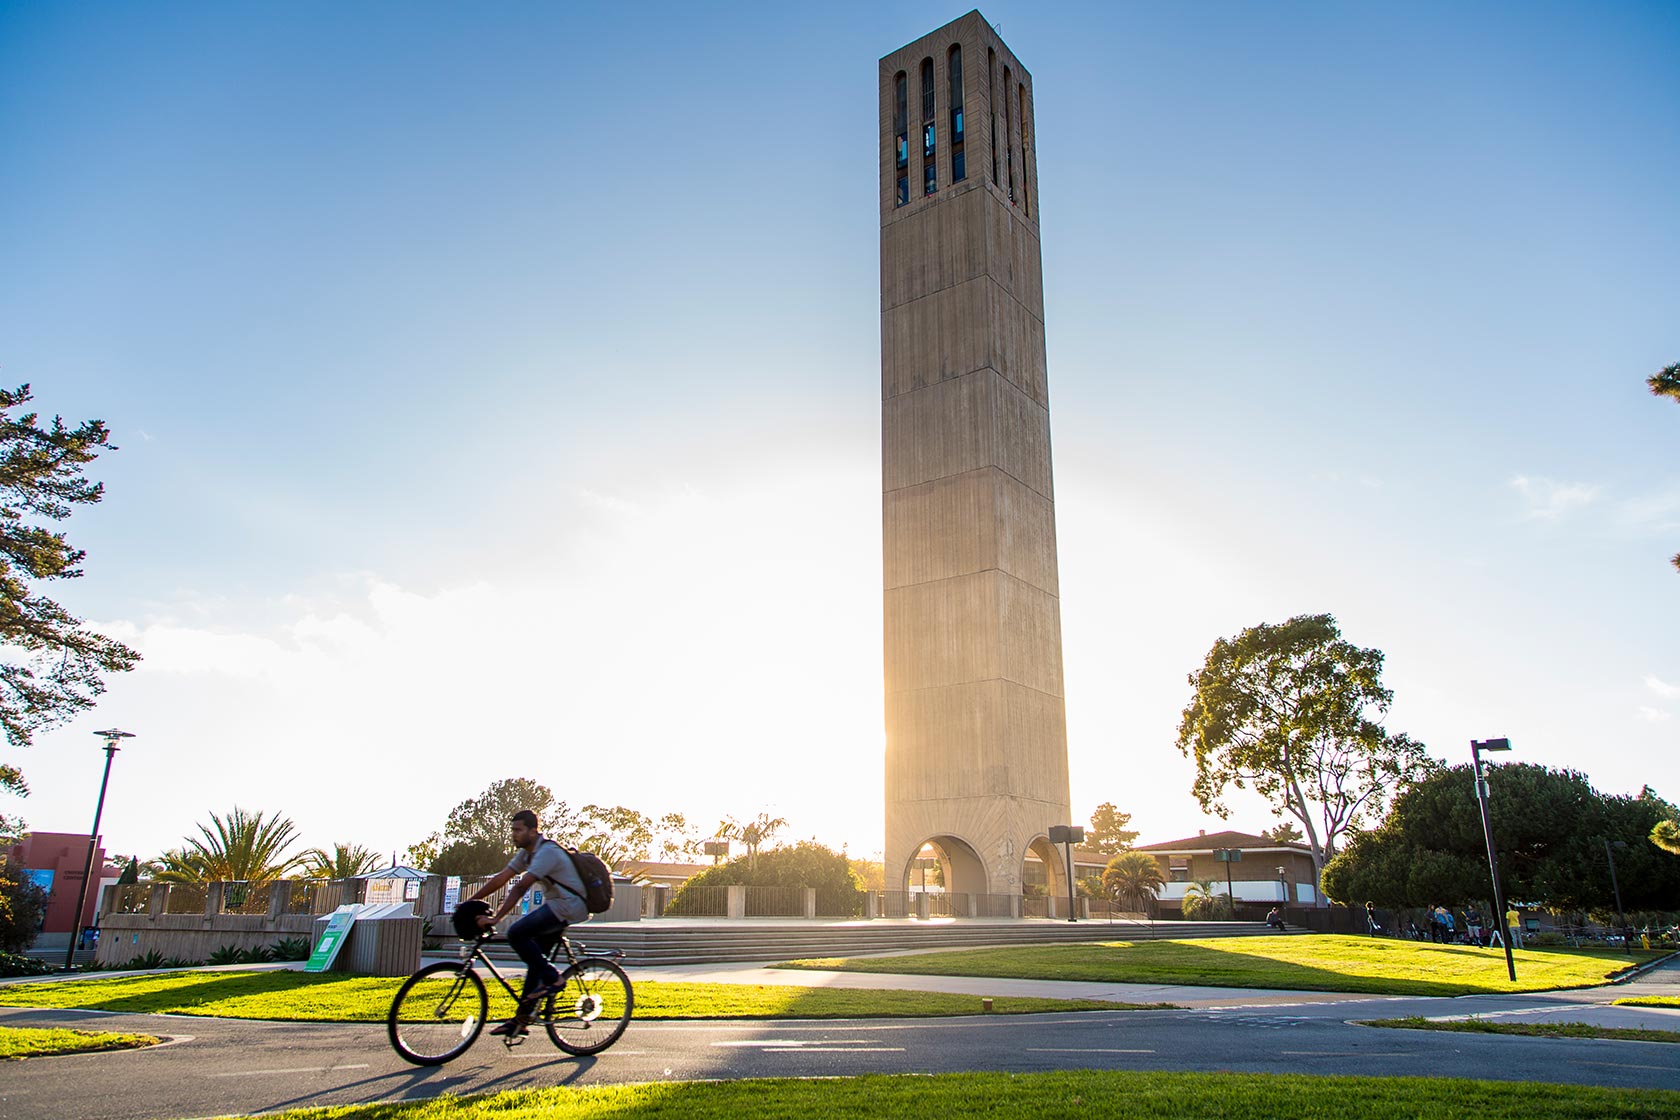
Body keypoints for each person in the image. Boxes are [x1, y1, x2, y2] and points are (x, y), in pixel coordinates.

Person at [461, 808, 591, 1036]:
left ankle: (554, 979)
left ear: (533, 831)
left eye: (518, 830)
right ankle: (520, 1020)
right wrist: (469, 902)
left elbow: (521, 886)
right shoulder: (527, 854)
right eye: (512, 830)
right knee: (535, 961)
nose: (514, 834)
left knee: (516, 933)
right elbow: (502, 878)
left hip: (569, 905)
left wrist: (496, 918)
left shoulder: (547, 852)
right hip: (558, 904)